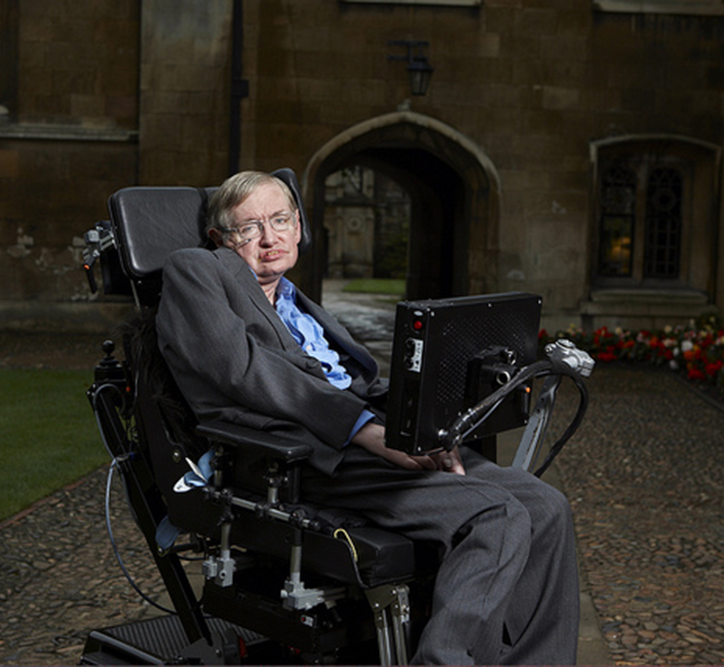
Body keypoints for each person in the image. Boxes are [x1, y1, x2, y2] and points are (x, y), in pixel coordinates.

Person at [155, 170, 579, 665]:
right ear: (220, 240)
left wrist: (429, 420)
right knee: (497, 516)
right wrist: (365, 431)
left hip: (362, 438)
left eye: (280, 220)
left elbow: (358, 382)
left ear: (299, 226)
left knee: (547, 508)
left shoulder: (295, 300)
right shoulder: (196, 270)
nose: (269, 238)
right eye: (249, 228)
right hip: (295, 456)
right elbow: (245, 370)